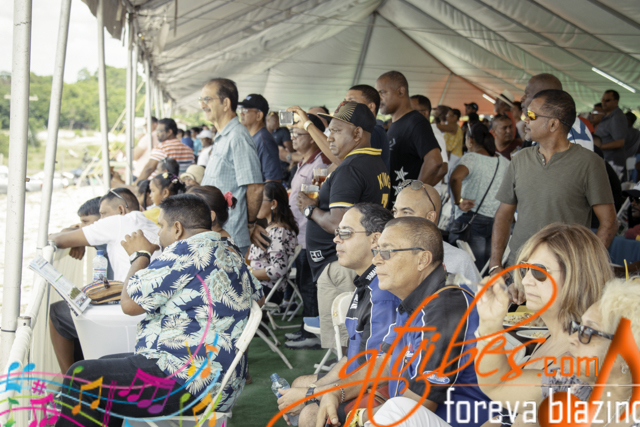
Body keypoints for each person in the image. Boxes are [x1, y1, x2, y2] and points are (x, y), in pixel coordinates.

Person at [54, 194, 259, 427]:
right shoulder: (229, 250)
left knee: (82, 377)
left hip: (189, 382)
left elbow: (129, 305)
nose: (158, 233)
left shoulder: (184, 252)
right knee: (103, 364)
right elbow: (258, 300)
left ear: (177, 229)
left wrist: (139, 255)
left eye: (161, 226)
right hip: (222, 380)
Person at [312, 217, 490, 427]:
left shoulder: (445, 306)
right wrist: (337, 392)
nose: (376, 260)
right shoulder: (417, 299)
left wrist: (355, 418)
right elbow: (385, 362)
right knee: (319, 412)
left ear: (422, 260)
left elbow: (418, 403)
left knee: (391, 409)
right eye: (377, 251)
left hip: (457, 422)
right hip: (413, 416)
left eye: (387, 252)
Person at [476, 223, 613, 425]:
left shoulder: (581, 353)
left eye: (539, 272)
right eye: (526, 269)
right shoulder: (554, 337)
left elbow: (498, 385)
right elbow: (505, 413)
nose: (526, 281)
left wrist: (489, 326)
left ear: (576, 276)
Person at [276, 203, 400, 425]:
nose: (336, 239)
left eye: (346, 233)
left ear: (375, 240)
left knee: (310, 412)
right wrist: (311, 389)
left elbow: (376, 373)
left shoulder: (383, 294)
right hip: (357, 378)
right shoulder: (365, 283)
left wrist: (311, 395)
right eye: (337, 232)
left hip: (378, 390)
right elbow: (350, 358)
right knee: (298, 384)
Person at [489, 89, 617, 279]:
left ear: (553, 123)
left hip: (564, 274)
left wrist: (586, 267)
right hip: (518, 269)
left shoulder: (590, 163)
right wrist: (495, 265)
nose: (525, 120)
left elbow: (609, 222)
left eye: (531, 115)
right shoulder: (520, 159)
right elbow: (503, 216)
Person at [294, 102, 390, 351]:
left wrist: (309, 209)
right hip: (356, 262)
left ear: (357, 133)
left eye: (336, 130)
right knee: (354, 338)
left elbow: (338, 224)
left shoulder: (350, 169)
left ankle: (345, 376)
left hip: (341, 266)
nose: (329, 137)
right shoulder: (374, 162)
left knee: (344, 342)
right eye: (330, 130)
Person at [199, 78, 264, 256]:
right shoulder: (223, 136)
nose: (203, 105)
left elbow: (255, 188)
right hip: (217, 235)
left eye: (207, 99)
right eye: (201, 100)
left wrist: (250, 224)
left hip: (230, 236)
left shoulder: (237, 136)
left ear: (226, 103)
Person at [282, 114, 331, 348]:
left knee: (310, 287)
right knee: (304, 286)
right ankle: (305, 328)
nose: (292, 138)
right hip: (301, 234)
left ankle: (312, 334)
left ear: (312, 136)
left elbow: (313, 198)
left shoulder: (321, 164)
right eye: (292, 134)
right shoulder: (305, 162)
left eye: (297, 134)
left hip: (310, 235)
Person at [48, 197, 111, 374]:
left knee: (57, 313)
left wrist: (75, 237)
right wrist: (78, 236)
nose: (82, 227)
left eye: (85, 222)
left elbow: (52, 239)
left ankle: (68, 381)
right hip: (114, 299)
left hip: (113, 309)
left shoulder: (105, 232)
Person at [49, 188, 159, 282]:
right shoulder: (150, 223)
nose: (101, 220)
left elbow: (57, 240)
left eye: (103, 214)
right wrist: (80, 241)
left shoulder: (118, 221)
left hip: (131, 295)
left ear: (121, 210)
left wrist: (75, 239)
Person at [392, 181, 481, 282]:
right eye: (395, 211)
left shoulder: (459, 261)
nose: (396, 219)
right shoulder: (385, 252)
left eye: (406, 212)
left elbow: (475, 292)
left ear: (430, 217)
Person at [375, 71, 443, 202]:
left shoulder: (415, 122)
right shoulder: (395, 124)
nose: (379, 99)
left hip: (404, 208)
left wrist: (412, 197)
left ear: (401, 91)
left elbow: (435, 161)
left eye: (382, 92)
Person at [248, 181, 298, 307]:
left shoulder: (279, 231)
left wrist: (247, 274)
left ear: (273, 204)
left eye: (260, 200)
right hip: (259, 286)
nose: (255, 204)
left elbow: (278, 269)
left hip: (268, 290)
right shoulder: (269, 229)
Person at [520, 73, 594, 151]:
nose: (522, 98)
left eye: (527, 94)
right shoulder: (541, 127)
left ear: (544, 97)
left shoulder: (570, 134)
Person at [238, 94, 283, 182]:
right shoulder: (253, 137)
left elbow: (273, 181)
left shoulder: (264, 141)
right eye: (241, 109)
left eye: (245, 110)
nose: (241, 113)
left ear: (259, 115)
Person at [134, 118, 195, 182]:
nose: (157, 134)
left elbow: (149, 169)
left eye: (159, 131)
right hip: (181, 185)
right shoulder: (189, 150)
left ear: (169, 132)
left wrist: (137, 184)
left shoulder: (161, 148)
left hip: (161, 185)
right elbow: (192, 169)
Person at [410, 95, 449, 179]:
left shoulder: (433, 133)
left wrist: (419, 185)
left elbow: (443, 168)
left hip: (425, 187)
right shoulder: (417, 132)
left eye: (411, 111)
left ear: (425, 113)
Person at [596, 89, 628, 175]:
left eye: (607, 100)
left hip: (612, 161)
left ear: (615, 102)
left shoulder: (617, 117)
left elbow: (620, 142)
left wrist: (598, 147)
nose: (603, 102)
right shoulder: (607, 116)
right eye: (602, 99)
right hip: (606, 160)